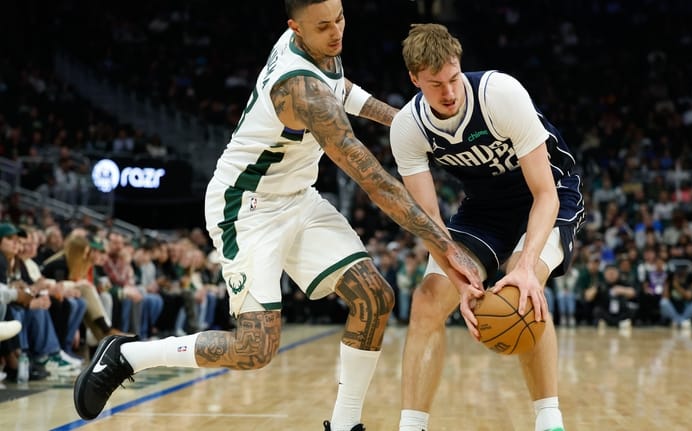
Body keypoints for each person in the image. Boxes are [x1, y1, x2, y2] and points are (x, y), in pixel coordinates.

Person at [72, 2, 481, 431]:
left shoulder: (320, 45)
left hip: (297, 196)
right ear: (295, 28)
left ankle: (344, 426)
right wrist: (446, 246)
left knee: (375, 297)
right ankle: (125, 355)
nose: (336, 31)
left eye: (339, 18)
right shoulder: (301, 90)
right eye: (323, 26)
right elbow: (375, 182)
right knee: (255, 348)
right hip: (247, 207)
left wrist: (403, 120)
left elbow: (343, 87)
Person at [389, 24, 584, 431]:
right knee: (427, 300)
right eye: (435, 84)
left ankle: (549, 421)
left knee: (521, 290)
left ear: (461, 67)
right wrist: (460, 283)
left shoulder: (500, 94)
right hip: (484, 210)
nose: (449, 92)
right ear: (414, 79)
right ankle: (412, 426)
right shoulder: (408, 126)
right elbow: (429, 222)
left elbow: (544, 193)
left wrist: (527, 265)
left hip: (548, 193)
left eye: (454, 78)